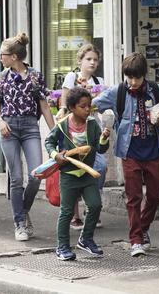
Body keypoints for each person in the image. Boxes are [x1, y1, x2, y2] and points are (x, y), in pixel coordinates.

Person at [92, 52, 159, 257]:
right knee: (133, 197)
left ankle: (143, 228)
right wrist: (104, 118)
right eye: (129, 77)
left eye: (137, 77)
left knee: (156, 193)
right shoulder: (118, 92)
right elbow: (94, 104)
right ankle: (136, 240)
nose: (133, 82)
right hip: (130, 152)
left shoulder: (156, 90)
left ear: (145, 74)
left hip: (155, 151)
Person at [0, 33, 55, 241]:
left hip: (30, 127)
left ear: (14, 57)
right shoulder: (1, 77)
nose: (0, 57)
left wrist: (55, 132)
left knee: (37, 175)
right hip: (8, 128)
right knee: (16, 177)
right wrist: (0, 122)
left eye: (3, 54)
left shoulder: (35, 76)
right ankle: (20, 223)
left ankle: (22, 210)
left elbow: (44, 105)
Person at [45, 87, 106, 261]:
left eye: (89, 106)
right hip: (69, 175)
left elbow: (100, 148)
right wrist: (55, 155)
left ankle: (86, 239)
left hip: (87, 174)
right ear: (72, 107)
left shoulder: (93, 124)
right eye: (83, 106)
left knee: (95, 205)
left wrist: (104, 138)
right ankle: (62, 246)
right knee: (66, 212)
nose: (87, 109)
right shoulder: (62, 125)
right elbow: (49, 142)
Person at [56, 44, 108, 230]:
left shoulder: (99, 80)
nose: (92, 62)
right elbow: (64, 100)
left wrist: (92, 98)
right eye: (88, 59)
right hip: (73, 129)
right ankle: (74, 215)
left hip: (93, 128)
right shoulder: (72, 77)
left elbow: (101, 105)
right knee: (74, 168)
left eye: (95, 59)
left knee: (99, 166)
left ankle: (91, 205)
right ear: (80, 61)